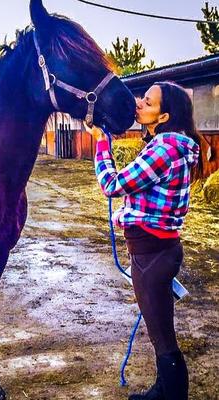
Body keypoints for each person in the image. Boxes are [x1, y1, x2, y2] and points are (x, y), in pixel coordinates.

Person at [85, 81, 202, 400]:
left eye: (148, 103)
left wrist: (100, 144)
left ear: (163, 117)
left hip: (152, 253)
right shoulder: (170, 145)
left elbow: (112, 184)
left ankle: (172, 394)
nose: (139, 104)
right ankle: (163, 389)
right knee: (159, 329)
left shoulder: (163, 149)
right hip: (156, 249)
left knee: (163, 336)